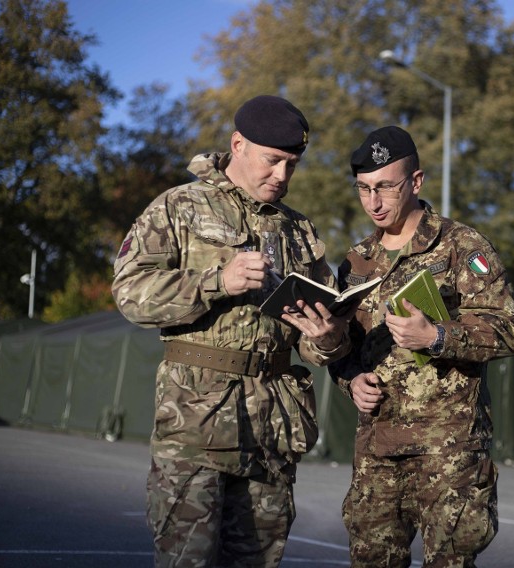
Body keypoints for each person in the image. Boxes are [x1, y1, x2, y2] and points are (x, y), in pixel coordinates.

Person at [111, 95, 351, 567]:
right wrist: (216, 281)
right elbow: (129, 293)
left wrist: (326, 338)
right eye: (273, 160)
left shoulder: (299, 231)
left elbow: (318, 338)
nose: (282, 176)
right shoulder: (179, 207)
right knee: (188, 560)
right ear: (238, 145)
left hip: (274, 427)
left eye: (292, 164)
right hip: (196, 424)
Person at [328, 126, 514, 567]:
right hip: (377, 450)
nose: (373, 202)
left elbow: (508, 329)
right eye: (363, 189)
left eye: (385, 188)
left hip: (448, 452)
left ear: (416, 182)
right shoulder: (356, 262)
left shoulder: (461, 246)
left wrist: (436, 336)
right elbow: (343, 350)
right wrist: (349, 380)